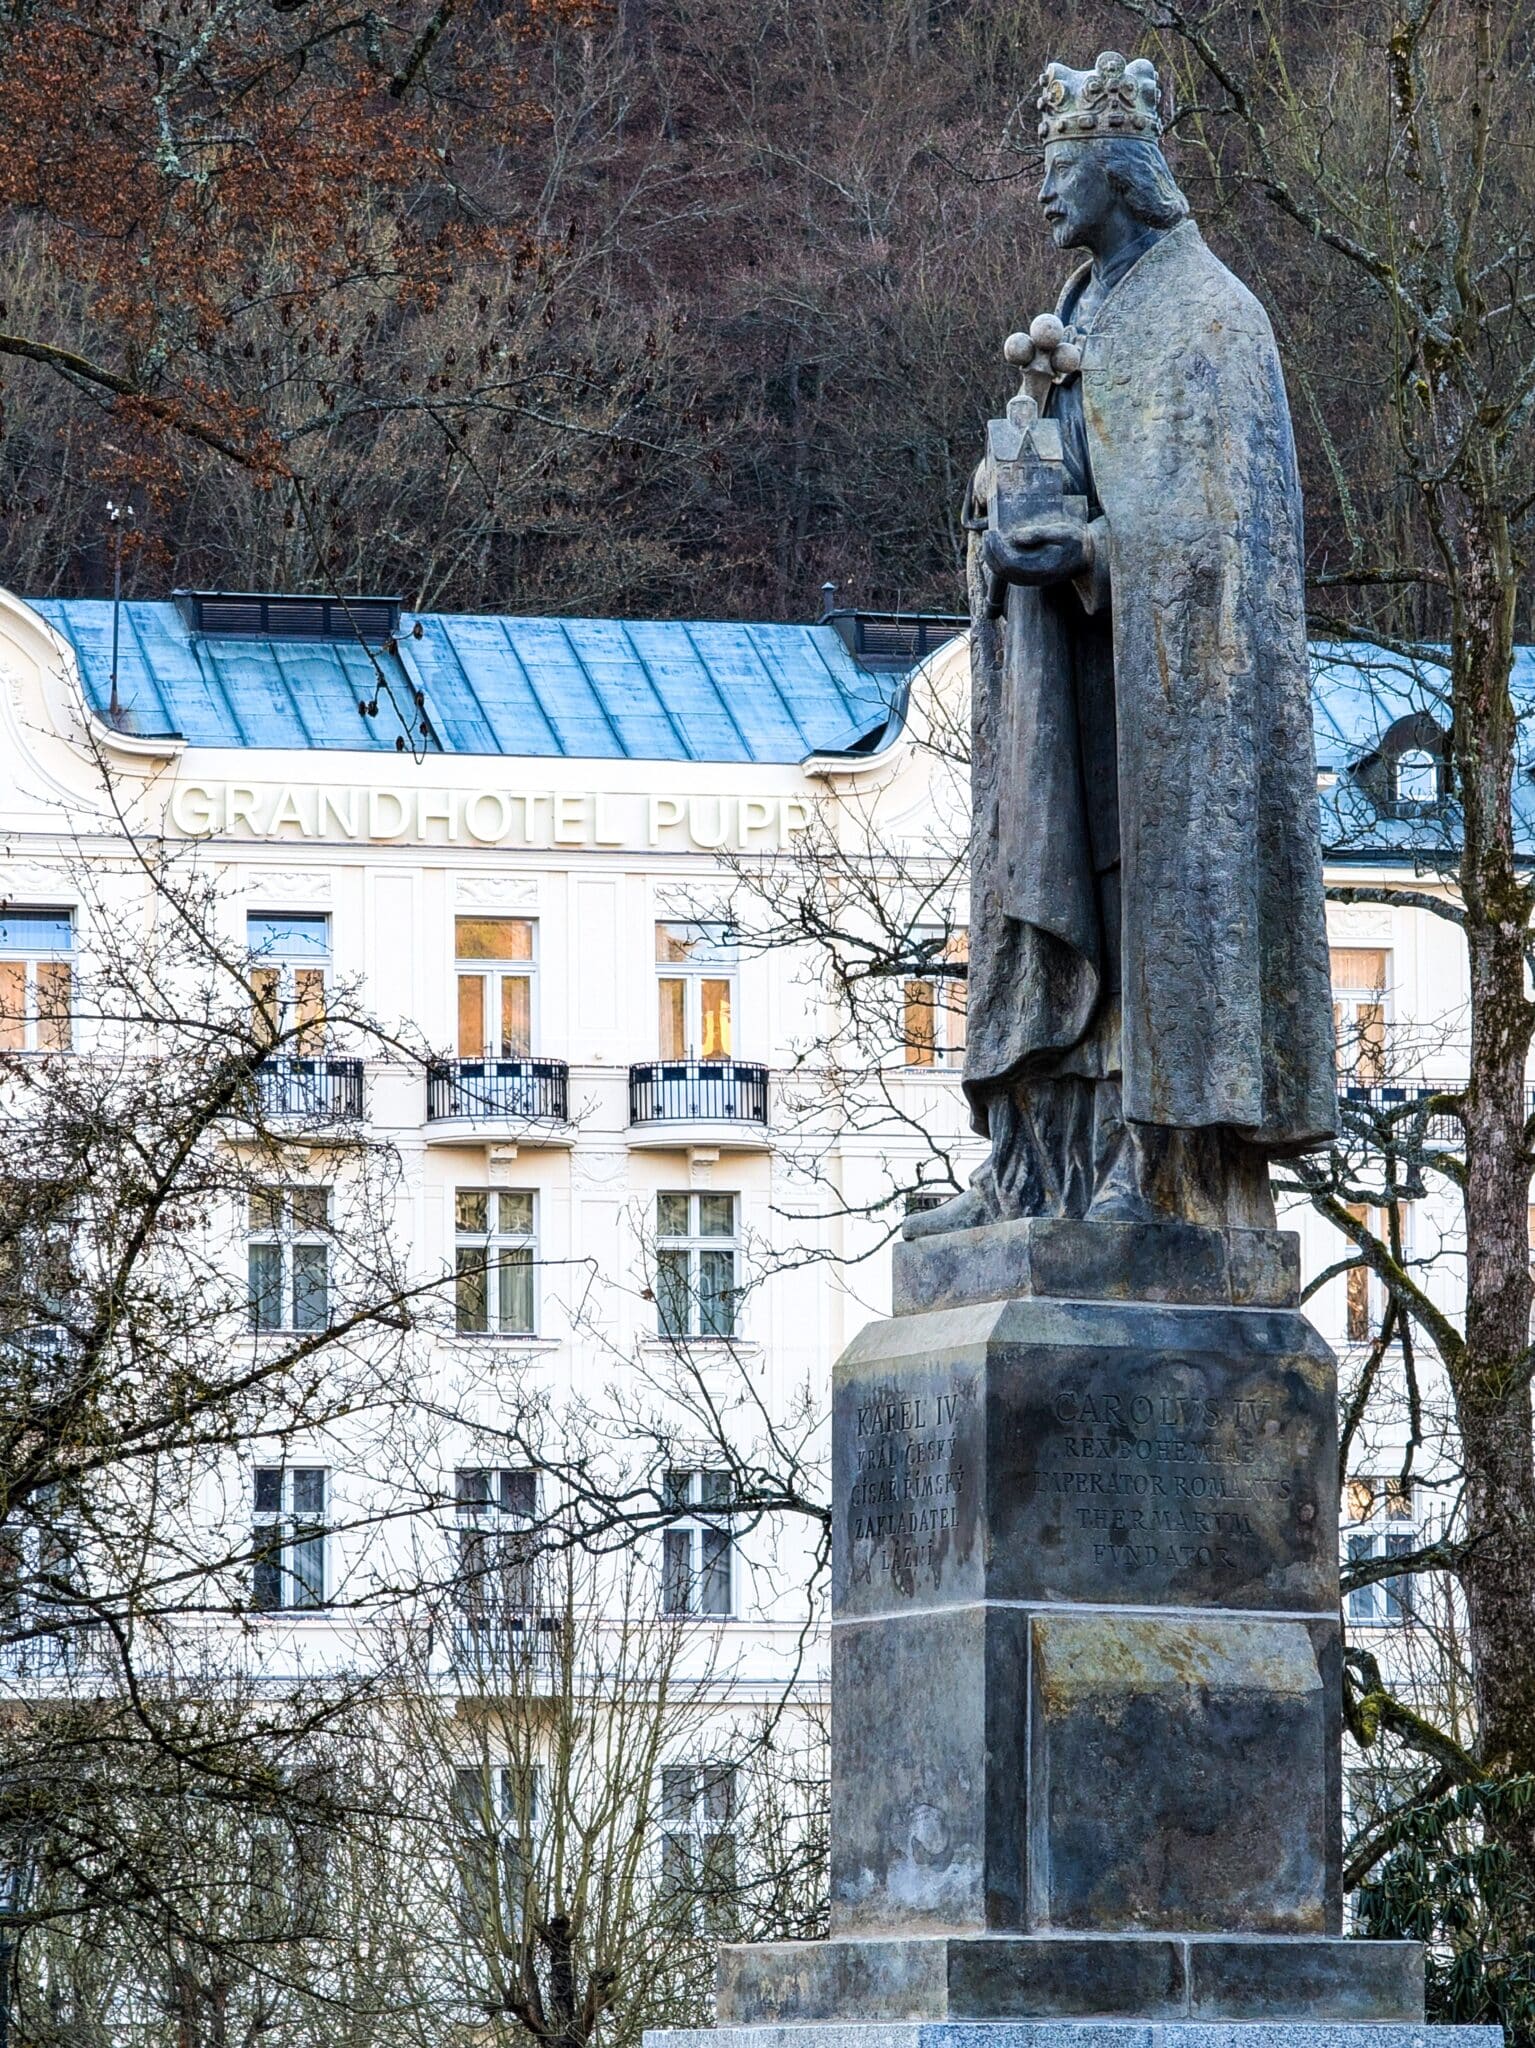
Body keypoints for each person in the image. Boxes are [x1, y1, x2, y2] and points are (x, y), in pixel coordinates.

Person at [907, 52, 1335, 1238]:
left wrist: (1091, 551)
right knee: (1052, 899)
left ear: (1122, 171)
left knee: (1155, 919)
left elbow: (1218, 539)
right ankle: (1035, 1165)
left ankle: (1158, 1168)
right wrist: (1004, 512)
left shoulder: (1210, 317)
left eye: (1061, 167)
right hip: (1077, 686)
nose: (1044, 192)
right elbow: (1075, 471)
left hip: (1172, 708)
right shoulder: (1084, 313)